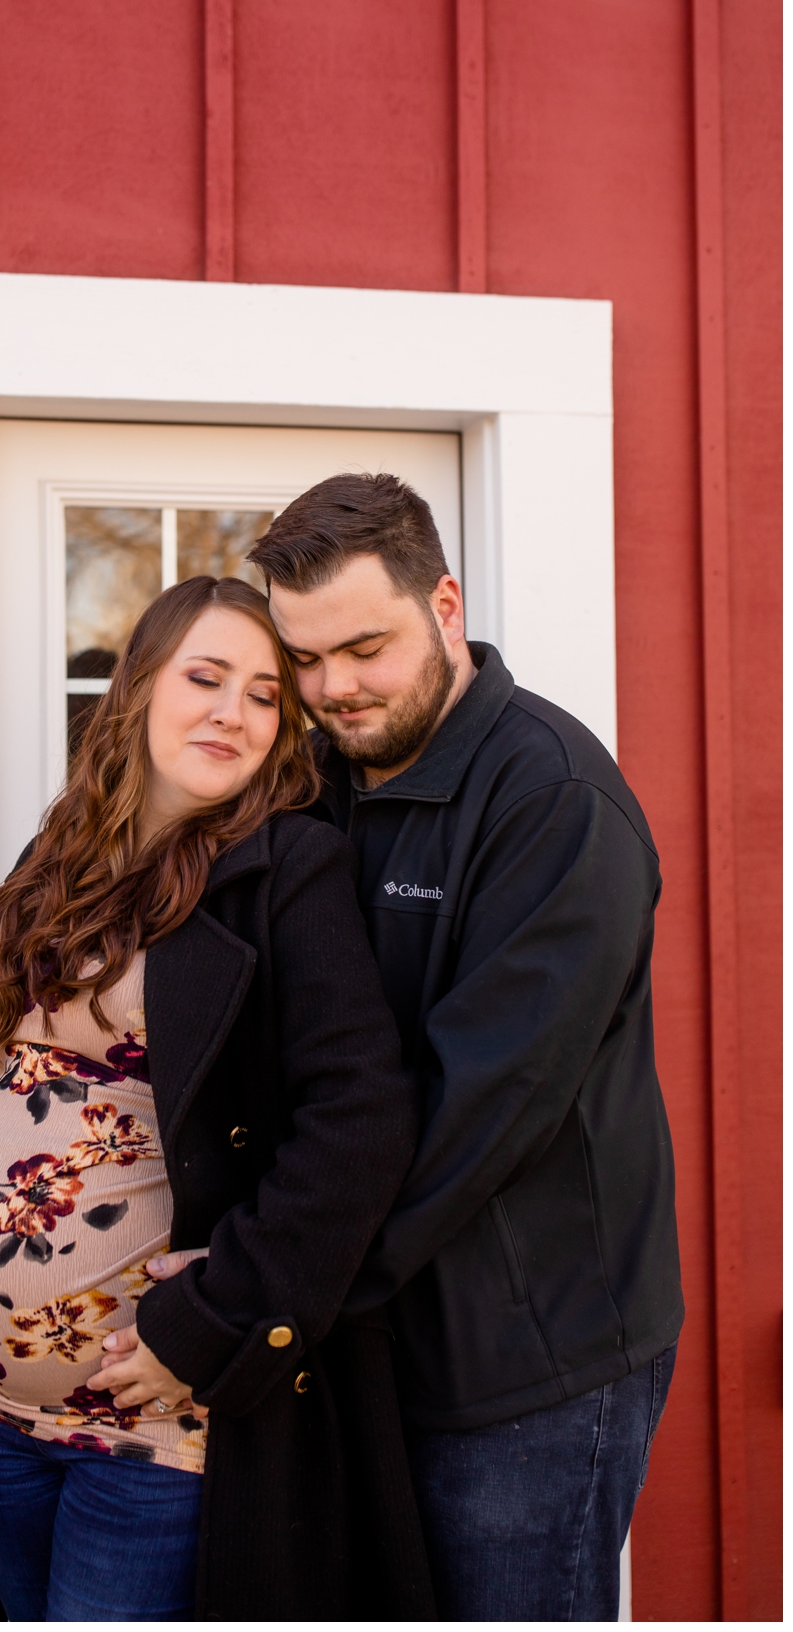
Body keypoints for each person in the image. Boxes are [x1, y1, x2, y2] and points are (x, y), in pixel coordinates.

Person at [0, 573, 434, 1621]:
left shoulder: (286, 867)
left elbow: (359, 1122)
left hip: (151, 1425)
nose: (231, 712)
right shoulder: (62, 858)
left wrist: (215, 1317)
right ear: (142, 685)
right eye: (206, 677)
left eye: (263, 696)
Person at [250, 473, 681, 1622]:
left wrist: (278, 1286)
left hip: (526, 1357)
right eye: (303, 658)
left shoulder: (553, 799)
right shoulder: (317, 779)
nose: (331, 686)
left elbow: (479, 1106)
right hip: (372, 1332)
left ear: (444, 604)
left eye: (363, 647)